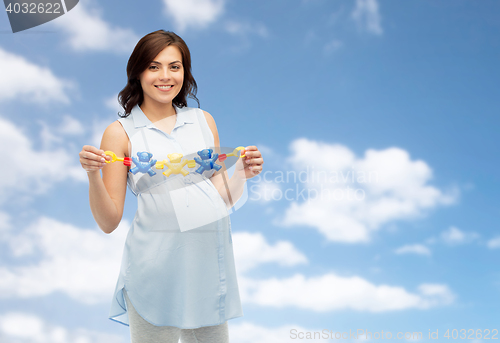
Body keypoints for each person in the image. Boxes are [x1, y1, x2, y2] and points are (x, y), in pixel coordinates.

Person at [79, 30, 264, 343]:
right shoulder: (120, 133)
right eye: (154, 66)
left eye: (174, 66)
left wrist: (241, 174)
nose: (165, 76)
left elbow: (217, 198)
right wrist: (92, 174)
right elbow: (109, 221)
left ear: (185, 73)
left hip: (206, 272)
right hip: (155, 275)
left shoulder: (204, 121)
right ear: (137, 72)